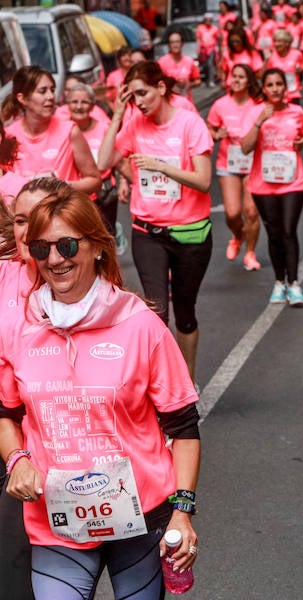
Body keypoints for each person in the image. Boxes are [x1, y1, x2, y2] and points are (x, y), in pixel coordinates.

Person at [0, 186, 201, 600]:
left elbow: (184, 428)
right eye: (42, 248)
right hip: (57, 524)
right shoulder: (20, 327)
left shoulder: (141, 324)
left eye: (67, 244)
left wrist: (183, 512)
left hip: (140, 518)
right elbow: (7, 413)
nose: (55, 259)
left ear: (96, 247)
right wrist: (17, 459)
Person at [98, 60, 214, 387]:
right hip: (147, 231)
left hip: (191, 232)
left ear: (161, 88)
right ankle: (167, 387)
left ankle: (187, 380)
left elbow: (204, 181)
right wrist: (119, 116)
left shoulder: (190, 124)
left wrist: (161, 167)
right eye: (133, 96)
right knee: (157, 312)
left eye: (144, 93)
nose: (140, 102)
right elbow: (103, 162)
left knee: (186, 314)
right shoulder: (134, 123)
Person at [0, 177, 65, 600]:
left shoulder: (76, 279)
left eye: (41, 219)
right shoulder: (3, 276)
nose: (29, 231)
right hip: (7, 432)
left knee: (31, 569)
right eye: (21, 220)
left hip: (52, 441)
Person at [240, 68, 303, 306]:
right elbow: (245, 147)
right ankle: (279, 282)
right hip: (263, 183)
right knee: (274, 232)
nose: (275, 89)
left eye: (279, 84)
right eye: (270, 84)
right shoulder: (254, 112)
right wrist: (260, 122)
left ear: (285, 86)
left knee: (289, 230)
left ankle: (294, 284)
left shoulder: (297, 112)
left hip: (293, 181)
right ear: (264, 88)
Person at [2, 67, 101, 197]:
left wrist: (62, 186)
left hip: (63, 214)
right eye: (42, 91)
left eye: (52, 90)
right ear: (22, 98)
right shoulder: (8, 136)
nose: (50, 96)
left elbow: (95, 181)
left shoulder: (70, 131)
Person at [207, 63, 263, 271]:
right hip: (228, 163)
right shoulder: (221, 104)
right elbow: (210, 127)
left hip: (252, 164)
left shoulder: (258, 106)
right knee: (232, 213)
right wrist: (215, 135)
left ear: (249, 80)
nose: (236, 80)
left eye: (241, 76)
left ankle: (250, 252)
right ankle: (238, 236)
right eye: (234, 76)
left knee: (251, 212)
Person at [65, 82, 120, 243]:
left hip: (103, 194)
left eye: (84, 102)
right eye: (74, 102)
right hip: (74, 197)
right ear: (67, 105)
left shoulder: (104, 127)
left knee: (105, 240)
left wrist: (123, 182)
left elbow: (119, 156)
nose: (79, 106)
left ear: (92, 105)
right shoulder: (63, 130)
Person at [265, 28, 303, 104]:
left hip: (293, 93)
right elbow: (267, 75)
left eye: (279, 41)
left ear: (287, 43)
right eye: (275, 41)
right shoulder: (271, 56)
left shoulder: (297, 54)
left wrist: (301, 69)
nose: (276, 44)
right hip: (277, 94)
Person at [158, 31, 202, 103]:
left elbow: (198, 81)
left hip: (186, 101)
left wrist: (188, 85)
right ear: (169, 45)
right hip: (169, 102)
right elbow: (157, 83)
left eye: (177, 41)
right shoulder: (162, 62)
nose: (175, 44)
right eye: (172, 42)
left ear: (182, 44)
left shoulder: (189, 61)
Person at [196, 13, 221, 87]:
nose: (208, 22)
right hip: (203, 49)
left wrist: (218, 49)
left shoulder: (215, 28)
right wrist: (198, 48)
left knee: (210, 64)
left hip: (211, 48)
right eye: (207, 20)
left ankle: (211, 80)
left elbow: (218, 39)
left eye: (210, 20)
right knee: (205, 65)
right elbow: (198, 39)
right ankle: (206, 80)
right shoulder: (200, 28)